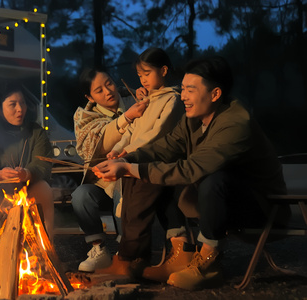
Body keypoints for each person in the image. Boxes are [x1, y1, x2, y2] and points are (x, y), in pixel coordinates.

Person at [92, 56, 288, 290]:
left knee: (210, 179)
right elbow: (163, 147)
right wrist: (126, 158)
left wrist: (129, 168)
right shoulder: (193, 119)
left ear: (215, 94)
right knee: (155, 170)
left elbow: (192, 169)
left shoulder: (236, 123)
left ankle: (209, 263)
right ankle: (181, 252)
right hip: (220, 200)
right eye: (182, 88)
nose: (183, 96)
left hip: (261, 207)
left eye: (190, 90)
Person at [94, 48, 185, 279]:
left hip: (154, 162)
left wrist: (128, 152)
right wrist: (116, 151)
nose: (142, 79)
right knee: (131, 209)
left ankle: (128, 260)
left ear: (163, 70)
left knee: (136, 210)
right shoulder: (148, 100)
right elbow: (133, 129)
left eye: (147, 73)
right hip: (134, 158)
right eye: (140, 74)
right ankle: (136, 260)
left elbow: (157, 133)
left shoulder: (172, 99)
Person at [71, 66, 150, 272]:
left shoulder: (134, 100)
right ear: (90, 96)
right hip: (102, 180)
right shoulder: (85, 117)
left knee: (122, 189)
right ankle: (99, 250)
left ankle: (127, 252)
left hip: (134, 175)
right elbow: (102, 141)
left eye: (109, 83)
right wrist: (128, 117)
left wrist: (147, 97)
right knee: (81, 196)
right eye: (99, 90)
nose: (108, 91)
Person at [0, 81, 54, 240]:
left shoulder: (36, 132)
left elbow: (43, 163)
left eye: (22, 103)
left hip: (29, 187)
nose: (20, 109)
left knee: (44, 188)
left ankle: (45, 248)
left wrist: (27, 173)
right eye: (12, 104)